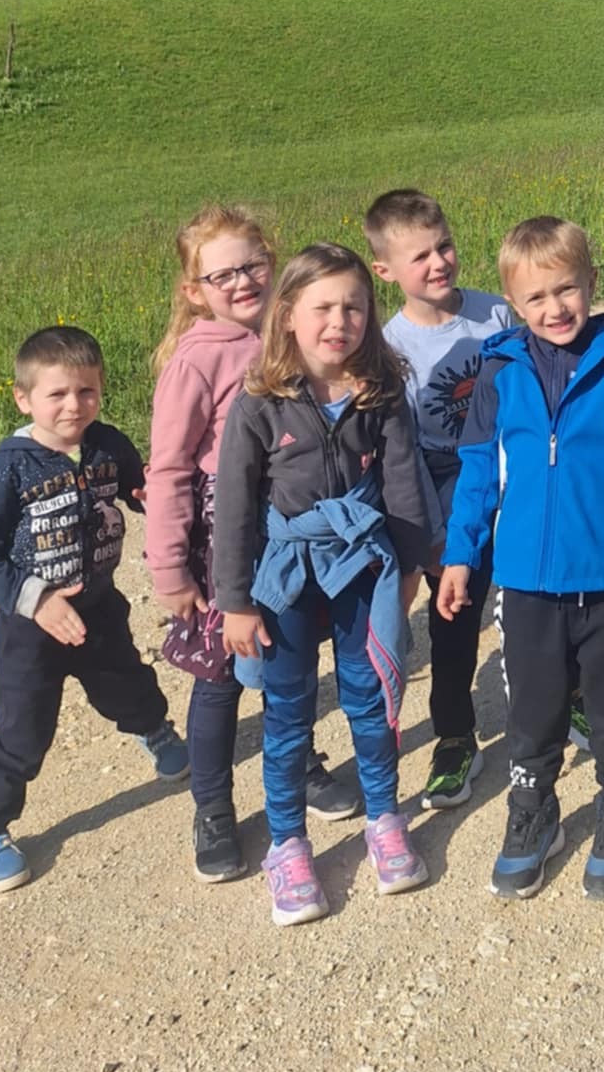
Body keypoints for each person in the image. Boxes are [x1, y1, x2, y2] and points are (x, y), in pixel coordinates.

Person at [438, 217, 604, 902]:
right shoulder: (500, 371)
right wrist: (462, 554)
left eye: (568, 290)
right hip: (523, 580)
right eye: (537, 298)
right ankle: (534, 809)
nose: (556, 309)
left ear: (590, 284)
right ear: (513, 305)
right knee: (533, 707)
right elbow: (476, 473)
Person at [215, 244, 437, 925]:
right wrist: (234, 603)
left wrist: (408, 569)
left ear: (370, 316)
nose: (338, 321)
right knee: (287, 717)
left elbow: (404, 489)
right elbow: (233, 510)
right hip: (282, 577)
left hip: (363, 565)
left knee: (370, 700)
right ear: (288, 315)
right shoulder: (257, 403)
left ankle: (384, 820)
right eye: (322, 307)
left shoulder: (380, 391)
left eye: (353, 306)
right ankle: (287, 845)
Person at [146, 204, 356, 886]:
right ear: (194, 290)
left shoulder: (286, 333)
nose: (241, 281)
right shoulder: (196, 360)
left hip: (286, 528)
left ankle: (297, 761)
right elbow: (170, 468)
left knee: (286, 656)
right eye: (222, 273)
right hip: (221, 534)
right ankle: (212, 808)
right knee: (219, 676)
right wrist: (170, 568)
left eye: (253, 265)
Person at [0, 326, 189, 894]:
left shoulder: (108, 444)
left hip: (100, 607)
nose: (73, 405)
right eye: (57, 394)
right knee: (23, 732)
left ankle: (153, 730)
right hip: (29, 629)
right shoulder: (9, 468)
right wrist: (35, 602)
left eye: (86, 391)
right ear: (24, 398)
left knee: (127, 684)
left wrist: (162, 502)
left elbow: (141, 493)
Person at [367, 187, 514, 811]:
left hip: (511, 463)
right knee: (454, 612)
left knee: (542, 591)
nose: (439, 263)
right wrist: (429, 532)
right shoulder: (388, 346)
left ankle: (574, 694)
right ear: (385, 271)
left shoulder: (495, 315)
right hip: (441, 478)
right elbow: (398, 450)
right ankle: (455, 734)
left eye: (445, 245)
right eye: (420, 255)